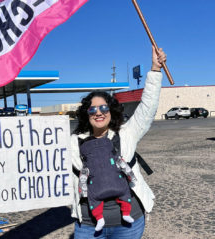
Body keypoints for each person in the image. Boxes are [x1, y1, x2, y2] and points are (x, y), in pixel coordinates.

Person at [71, 46, 166, 238]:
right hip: (88, 225)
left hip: (128, 225)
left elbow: (147, 107)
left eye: (104, 107)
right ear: (86, 114)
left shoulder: (127, 133)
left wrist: (155, 70)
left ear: (111, 110)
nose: (98, 112)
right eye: (92, 109)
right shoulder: (73, 142)